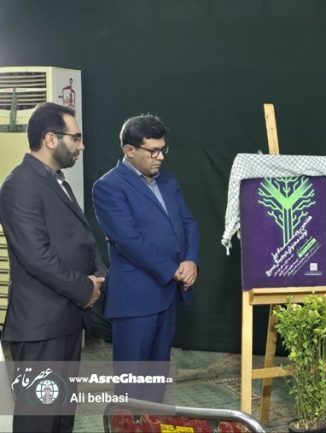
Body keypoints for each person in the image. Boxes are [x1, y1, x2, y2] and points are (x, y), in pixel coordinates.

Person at [0, 102, 105, 433]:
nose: (81, 145)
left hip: (67, 320)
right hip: (41, 327)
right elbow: (36, 256)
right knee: (38, 421)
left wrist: (100, 275)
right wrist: (85, 288)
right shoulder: (19, 185)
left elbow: (82, 239)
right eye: (76, 138)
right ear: (50, 139)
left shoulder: (56, 180)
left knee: (61, 420)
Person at [92, 114, 199, 402]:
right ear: (129, 150)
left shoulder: (169, 181)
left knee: (156, 386)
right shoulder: (109, 186)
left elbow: (188, 223)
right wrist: (173, 270)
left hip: (169, 296)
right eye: (153, 151)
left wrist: (191, 261)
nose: (160, 157)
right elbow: (128, 240)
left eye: (163, 149)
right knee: (131, 390)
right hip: (135, 301)